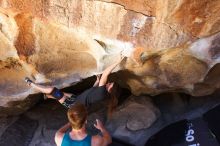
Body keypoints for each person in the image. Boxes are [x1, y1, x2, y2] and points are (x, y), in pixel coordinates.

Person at [25, 57, 124, 112]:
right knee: (60, 93)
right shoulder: (102, 92)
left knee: (53, 90)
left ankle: (32, 84)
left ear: (111, 90)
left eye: (110, 84)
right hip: (77, 98)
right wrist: (97, 81)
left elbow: (106, 73)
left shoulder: (103, 92)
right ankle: (48, 97)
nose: (109, 83)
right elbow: (92, 92)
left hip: (72, 105)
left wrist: (118, 61)